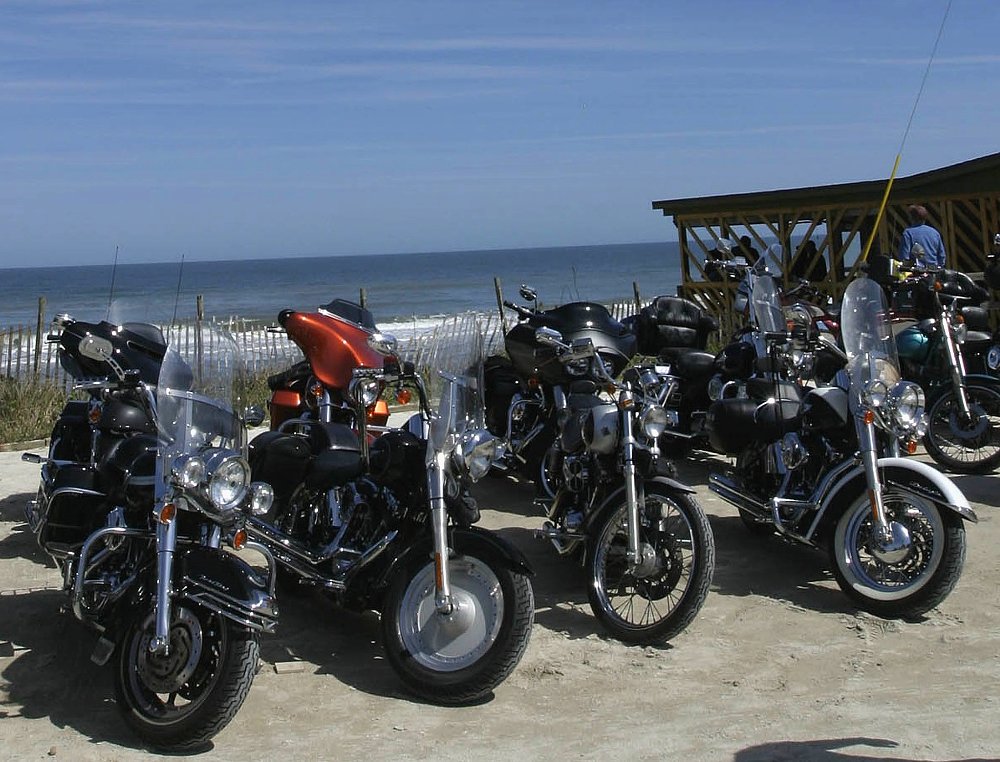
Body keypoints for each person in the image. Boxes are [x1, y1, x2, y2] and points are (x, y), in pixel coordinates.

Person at [898, 204, 946, 268]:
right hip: (933, 272)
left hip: (916, 273)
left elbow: (904, 257)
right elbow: (941, 256)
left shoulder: (908, 233)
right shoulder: (935, 232)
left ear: (911, 217)